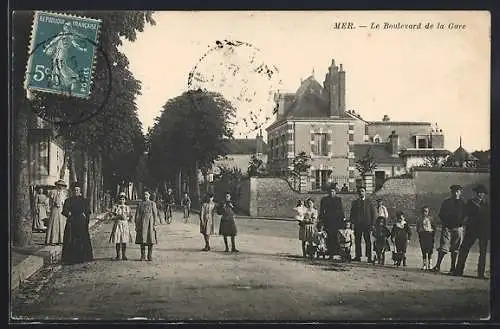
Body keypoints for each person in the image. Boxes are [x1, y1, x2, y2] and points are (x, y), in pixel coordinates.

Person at [454, 184, 490, 278]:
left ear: (484, 194)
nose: (480, 194)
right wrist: (463, 222)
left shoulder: (487, 204)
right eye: (479, 193)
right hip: (472, 230)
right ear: (476, 193)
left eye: (482, 193)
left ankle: (481, 273)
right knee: (464, 249)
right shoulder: (470, 203)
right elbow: (465, 214)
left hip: (483, 231)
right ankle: (459, 271)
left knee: (483, 252)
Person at [431, 185, 466, 273]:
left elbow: (465, 216)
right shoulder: (446, 202)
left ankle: (452, 267)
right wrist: (445, 222)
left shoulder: (463, 203)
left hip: (458, 228)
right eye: (454, 191)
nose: (455, 193)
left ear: (460, 192)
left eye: (457, 191)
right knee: (443, 247)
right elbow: (441, 214)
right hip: (447, 228)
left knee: (455, 249)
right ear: (451, 192)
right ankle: (438, 266)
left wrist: (461, 223)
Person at [61, 182, 93, 265]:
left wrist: (86, 220)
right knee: (70, 239)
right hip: (72, 222)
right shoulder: (68, 200)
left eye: (77, 190)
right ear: (72, 191)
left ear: (80, 190)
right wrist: (68, 213)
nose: (76, 191)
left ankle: (82, 257)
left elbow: (87, 211)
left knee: (82, 239)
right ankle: (70, 258)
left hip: (81, 222)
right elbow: (65, 210)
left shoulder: (84, 200)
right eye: (74, 190)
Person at [349, 187, 377, 262]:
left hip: (367, 225)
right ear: (358, 193)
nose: (361, 193)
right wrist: (352, 222)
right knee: (357, 240)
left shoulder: (369, 202)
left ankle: (369, 257)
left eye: (362, 191)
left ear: (365, 192)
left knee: (368, 240)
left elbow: (373, 214)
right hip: (358, 225)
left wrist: (373, 224)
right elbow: (352, 213)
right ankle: (358, 256)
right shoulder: (355, 202)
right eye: (360, 191)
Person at [319, 185, 345, 259]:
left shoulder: (338, 199)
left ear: (335, 192)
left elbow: (341, 210)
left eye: (333, 191)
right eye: (330, 191)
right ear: (328, 192)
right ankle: (330, 253)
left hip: (337, 221)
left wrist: (343, 219)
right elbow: (321, 210)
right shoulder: (324, 199)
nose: (332, 193)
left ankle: (336, 252)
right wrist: (321, 219)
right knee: (328, 237)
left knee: (336, 237)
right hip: (328, 221)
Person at [135, 191, 159, 261]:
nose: (145, 196)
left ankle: (149, 256)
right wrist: (136, 224)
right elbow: (137, 215)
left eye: (147, 194)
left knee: (150, 239)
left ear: (149, 195)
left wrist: (155, 223)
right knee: (142, 239)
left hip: (150, 224)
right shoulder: (140, 204)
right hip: (142, 224)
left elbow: (155, 214)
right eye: (144, 194)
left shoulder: (152, 203)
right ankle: (142, 256)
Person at [109, 192, 133, 260]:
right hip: (118, 224)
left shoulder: (127, 208)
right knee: (118, 239)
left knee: (124, 239)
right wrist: (117, 217)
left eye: (123, 199)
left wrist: (127, 218)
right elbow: (111, 216)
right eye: (121, 199)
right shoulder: (115, 207)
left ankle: (124, 255)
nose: (122, 201)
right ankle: (118, 255)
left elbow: (130, 217)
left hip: (125, 224)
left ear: (125, 200)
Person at [45, 179, 68, 245]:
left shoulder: (64, 193)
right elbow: (48, 201)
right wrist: (49, 208)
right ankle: (52, 240)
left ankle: (61, 240)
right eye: (59, 185)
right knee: (54, 223)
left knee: (61, 224)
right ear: (57, 185)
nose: (60, 187)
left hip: (61, 209)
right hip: (54, 209)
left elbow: (65, 202)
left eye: (62, 185)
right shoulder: (53, 192)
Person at [416, 206, 437, 270]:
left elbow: (434, 227)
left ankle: (430, 264)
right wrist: (419, 234)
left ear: (428, 212)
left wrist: (433, 235)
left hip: (429, 234)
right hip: (422, 234)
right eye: (424, 211)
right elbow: (417, 228)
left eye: (426, 211)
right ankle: (424, 264)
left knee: (430, 250)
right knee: (423, 250)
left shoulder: (431, 219)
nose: (425, 213)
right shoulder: (419, 219)